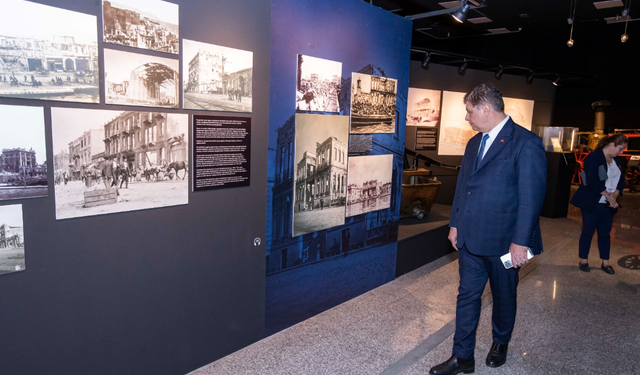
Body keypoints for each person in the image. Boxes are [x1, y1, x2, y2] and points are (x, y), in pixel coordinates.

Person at [429, 83, 547, 375]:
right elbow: (463, 188)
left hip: (504, 242)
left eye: (469, 112)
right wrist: (455, 223)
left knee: (504, 297)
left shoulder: (525, 143)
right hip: (470, 238)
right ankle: (462, 357)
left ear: (486, 109)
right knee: (466, 296)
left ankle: (500, 342)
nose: (467, 118)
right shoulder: (474, 143)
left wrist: (520, 242)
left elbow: (531, 199)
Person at [570, 134, 627, 275]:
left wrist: (614, 196)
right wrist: (608, 196)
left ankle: (605, 262)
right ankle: (583, 260)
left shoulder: (617, 160)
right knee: (588, 231)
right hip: (593, 201)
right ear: (612, 145)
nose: (621, 152)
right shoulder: (593, 158)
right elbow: (592, 180)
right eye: (620, 149)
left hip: (609, 204)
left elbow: (621, 179)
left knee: (605, 233)